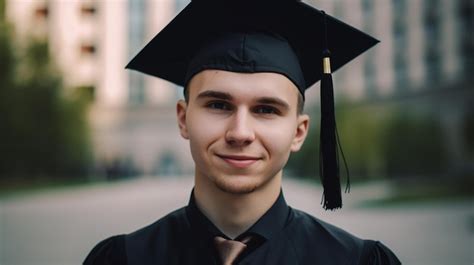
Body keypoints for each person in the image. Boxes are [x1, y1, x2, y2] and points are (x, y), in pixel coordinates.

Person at [84, 0, 401, 264]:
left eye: (266, 110)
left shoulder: (355, 262)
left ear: (299, 132)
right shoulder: (123, 260)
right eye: (219, 105)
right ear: (183, 118)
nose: (240, 132)